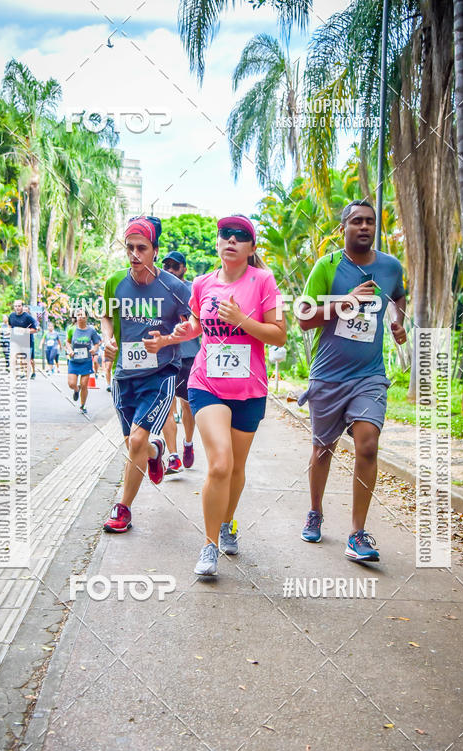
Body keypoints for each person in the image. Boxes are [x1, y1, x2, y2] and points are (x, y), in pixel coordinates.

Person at [163, 214, 286, 577]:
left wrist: (243, 320)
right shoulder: (200, 284)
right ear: (218, 243)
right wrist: (177, 334)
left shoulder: (263, 281)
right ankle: (209, 545)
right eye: (224, 234)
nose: (230, 240)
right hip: (206, 383)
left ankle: (228, 521)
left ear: (251, 247)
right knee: (219, 464)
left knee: (235, 469)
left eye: (240, 235)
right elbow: (198, 327)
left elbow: (279, 335)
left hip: (249, 388)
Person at [297, 199, 407, 562]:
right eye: (356, 221)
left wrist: (397, 321)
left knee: (368, 445)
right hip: (328, 375)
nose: (364, 227)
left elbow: (399, 295)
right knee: (322, 449)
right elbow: (304, 318)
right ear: (343, 228)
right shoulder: (327, 267)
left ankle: (357, 533)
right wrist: (345, 303)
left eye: (370, 222)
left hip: (369, 376)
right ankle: (315, 511)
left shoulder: (390, 266)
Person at [101, 215, 191, 534]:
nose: (134, 254)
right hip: (124, 376)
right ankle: (157, 452)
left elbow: (194, 326)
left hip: (160, 374)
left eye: (142, 248)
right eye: (129, 248)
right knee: (134, 445)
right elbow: (108, 318)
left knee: (137, 438)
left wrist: (167, 339)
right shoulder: (115, 282)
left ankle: (122, 509)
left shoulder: (175, 287)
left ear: (154, 249)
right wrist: (108, 340)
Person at [161, 250, 199, 474]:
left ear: (184, 268)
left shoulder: (194, 288)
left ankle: (188, 443)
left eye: (175, 266)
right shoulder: (157, 288)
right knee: (167, 403)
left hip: (188, 354)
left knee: (187, 404)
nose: (170, 270)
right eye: (166, 266)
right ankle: (173, 456)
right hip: (165, 354)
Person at [65, 309, 101, 413]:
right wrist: (70, 350)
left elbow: (96, 343)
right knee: (71, 384)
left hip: (86, 361)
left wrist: (94, 349)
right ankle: (76, 389)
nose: (80, 317)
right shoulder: (71, 329)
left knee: (84, 384)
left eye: (82, 315)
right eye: (78, 315)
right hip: (74, 361)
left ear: (86, 317)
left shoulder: (91, 330)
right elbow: (67, 342)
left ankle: (82, 405)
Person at [8, 301, 37, 377]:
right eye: (15, 306)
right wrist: (9, 332)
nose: (17, 308)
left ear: (22, 307)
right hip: (15, 341)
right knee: (14, 357)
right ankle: (15, 375)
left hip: (26, 342)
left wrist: (25, 331)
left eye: (19, 306)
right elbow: (10, 326)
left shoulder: (27, 317)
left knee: (28, 360)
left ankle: (31, 372)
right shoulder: (11, 316)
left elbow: (35, 329)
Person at [24, 304, 37, 378]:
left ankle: (34, 372)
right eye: (24, 310)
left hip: (30, 341)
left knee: (31, 359)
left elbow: (36, 329)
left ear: (28, 311)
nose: (25, 311)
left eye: (26, 310)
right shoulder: (21, 319)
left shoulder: (31, 319)